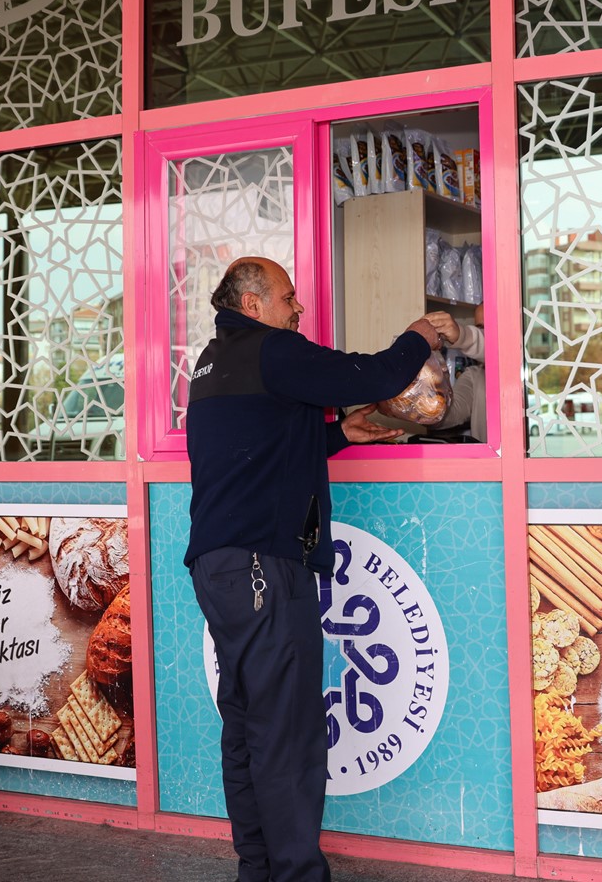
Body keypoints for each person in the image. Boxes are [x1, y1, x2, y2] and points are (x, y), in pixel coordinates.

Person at [185, 256, 457, 882]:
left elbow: (257, 445)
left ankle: (258, 868)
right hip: (262, 568)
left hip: (222, 566)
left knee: (249, 727)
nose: (298, 307)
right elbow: (377, 372)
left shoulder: (212, 360)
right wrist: (421, 333)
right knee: (288, 734)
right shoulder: (271, 350)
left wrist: (337, 434)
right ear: (252, 304)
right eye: (288, 297)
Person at [438, 304, 486, 443]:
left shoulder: (526, 366)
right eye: (481, 328)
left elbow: (499, 349)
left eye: (493, 325)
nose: (484, 334)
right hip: (490, 464)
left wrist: (462, 335)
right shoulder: (474, 376)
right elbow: (451, 414)